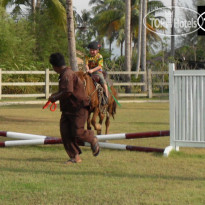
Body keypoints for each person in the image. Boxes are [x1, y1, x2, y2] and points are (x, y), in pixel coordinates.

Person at [48, 52, 100, 164]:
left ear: (55, 66)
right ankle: (75, 157)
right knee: (65, 133)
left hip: (78, 108)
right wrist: (55, 95)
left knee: (78, 132)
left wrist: (55, 98)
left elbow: (67, 92)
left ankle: (92, 138)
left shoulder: (67, 74)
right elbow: (64, 91)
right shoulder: (65, 74)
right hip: (68, 109)